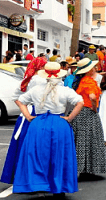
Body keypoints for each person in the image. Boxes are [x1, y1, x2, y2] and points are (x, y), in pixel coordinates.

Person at [12, 62, 84, 197]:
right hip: (59, 123)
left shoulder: (36, 89)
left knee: (37, 155)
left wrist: (28, 116)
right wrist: (69, 118)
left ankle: (38, 184)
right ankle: (59, 188)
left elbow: (20, 101)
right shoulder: (65, 90)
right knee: (60, 156)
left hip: (38, 123)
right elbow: (80, 102)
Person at [1, 57, 47, 184]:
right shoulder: (41, 80)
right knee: (36, 147)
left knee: (21, 144)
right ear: (41, 67)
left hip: (25, 115)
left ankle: (19, 176)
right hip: (39, 113)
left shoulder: (27, 78)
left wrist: (24, 108)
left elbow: (16, 97)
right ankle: (33, 178)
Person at [70, 58, 106, 177]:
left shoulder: (80, 80)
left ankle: (80, 168)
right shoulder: (89, 81)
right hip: (88, 111)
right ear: (88, 70)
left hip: (79, 112)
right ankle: (89, 168)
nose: (94, 69)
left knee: (81, 140)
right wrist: (94, 107)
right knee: (91, 139)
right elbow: (92, 96)